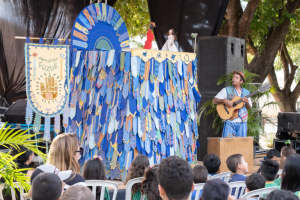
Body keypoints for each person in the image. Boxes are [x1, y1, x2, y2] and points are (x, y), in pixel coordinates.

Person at [213, 71, 252, 137]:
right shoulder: (226, 90)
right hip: (229, 121)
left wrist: (247, 102)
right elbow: (214, 100)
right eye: (233, 77)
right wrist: (224, 100)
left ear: (241, 81)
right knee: (227, 143)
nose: (234, 79)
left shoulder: (246, 92)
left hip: (242, 122)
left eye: (236, 78)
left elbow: (248, 107)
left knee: (241, 144)